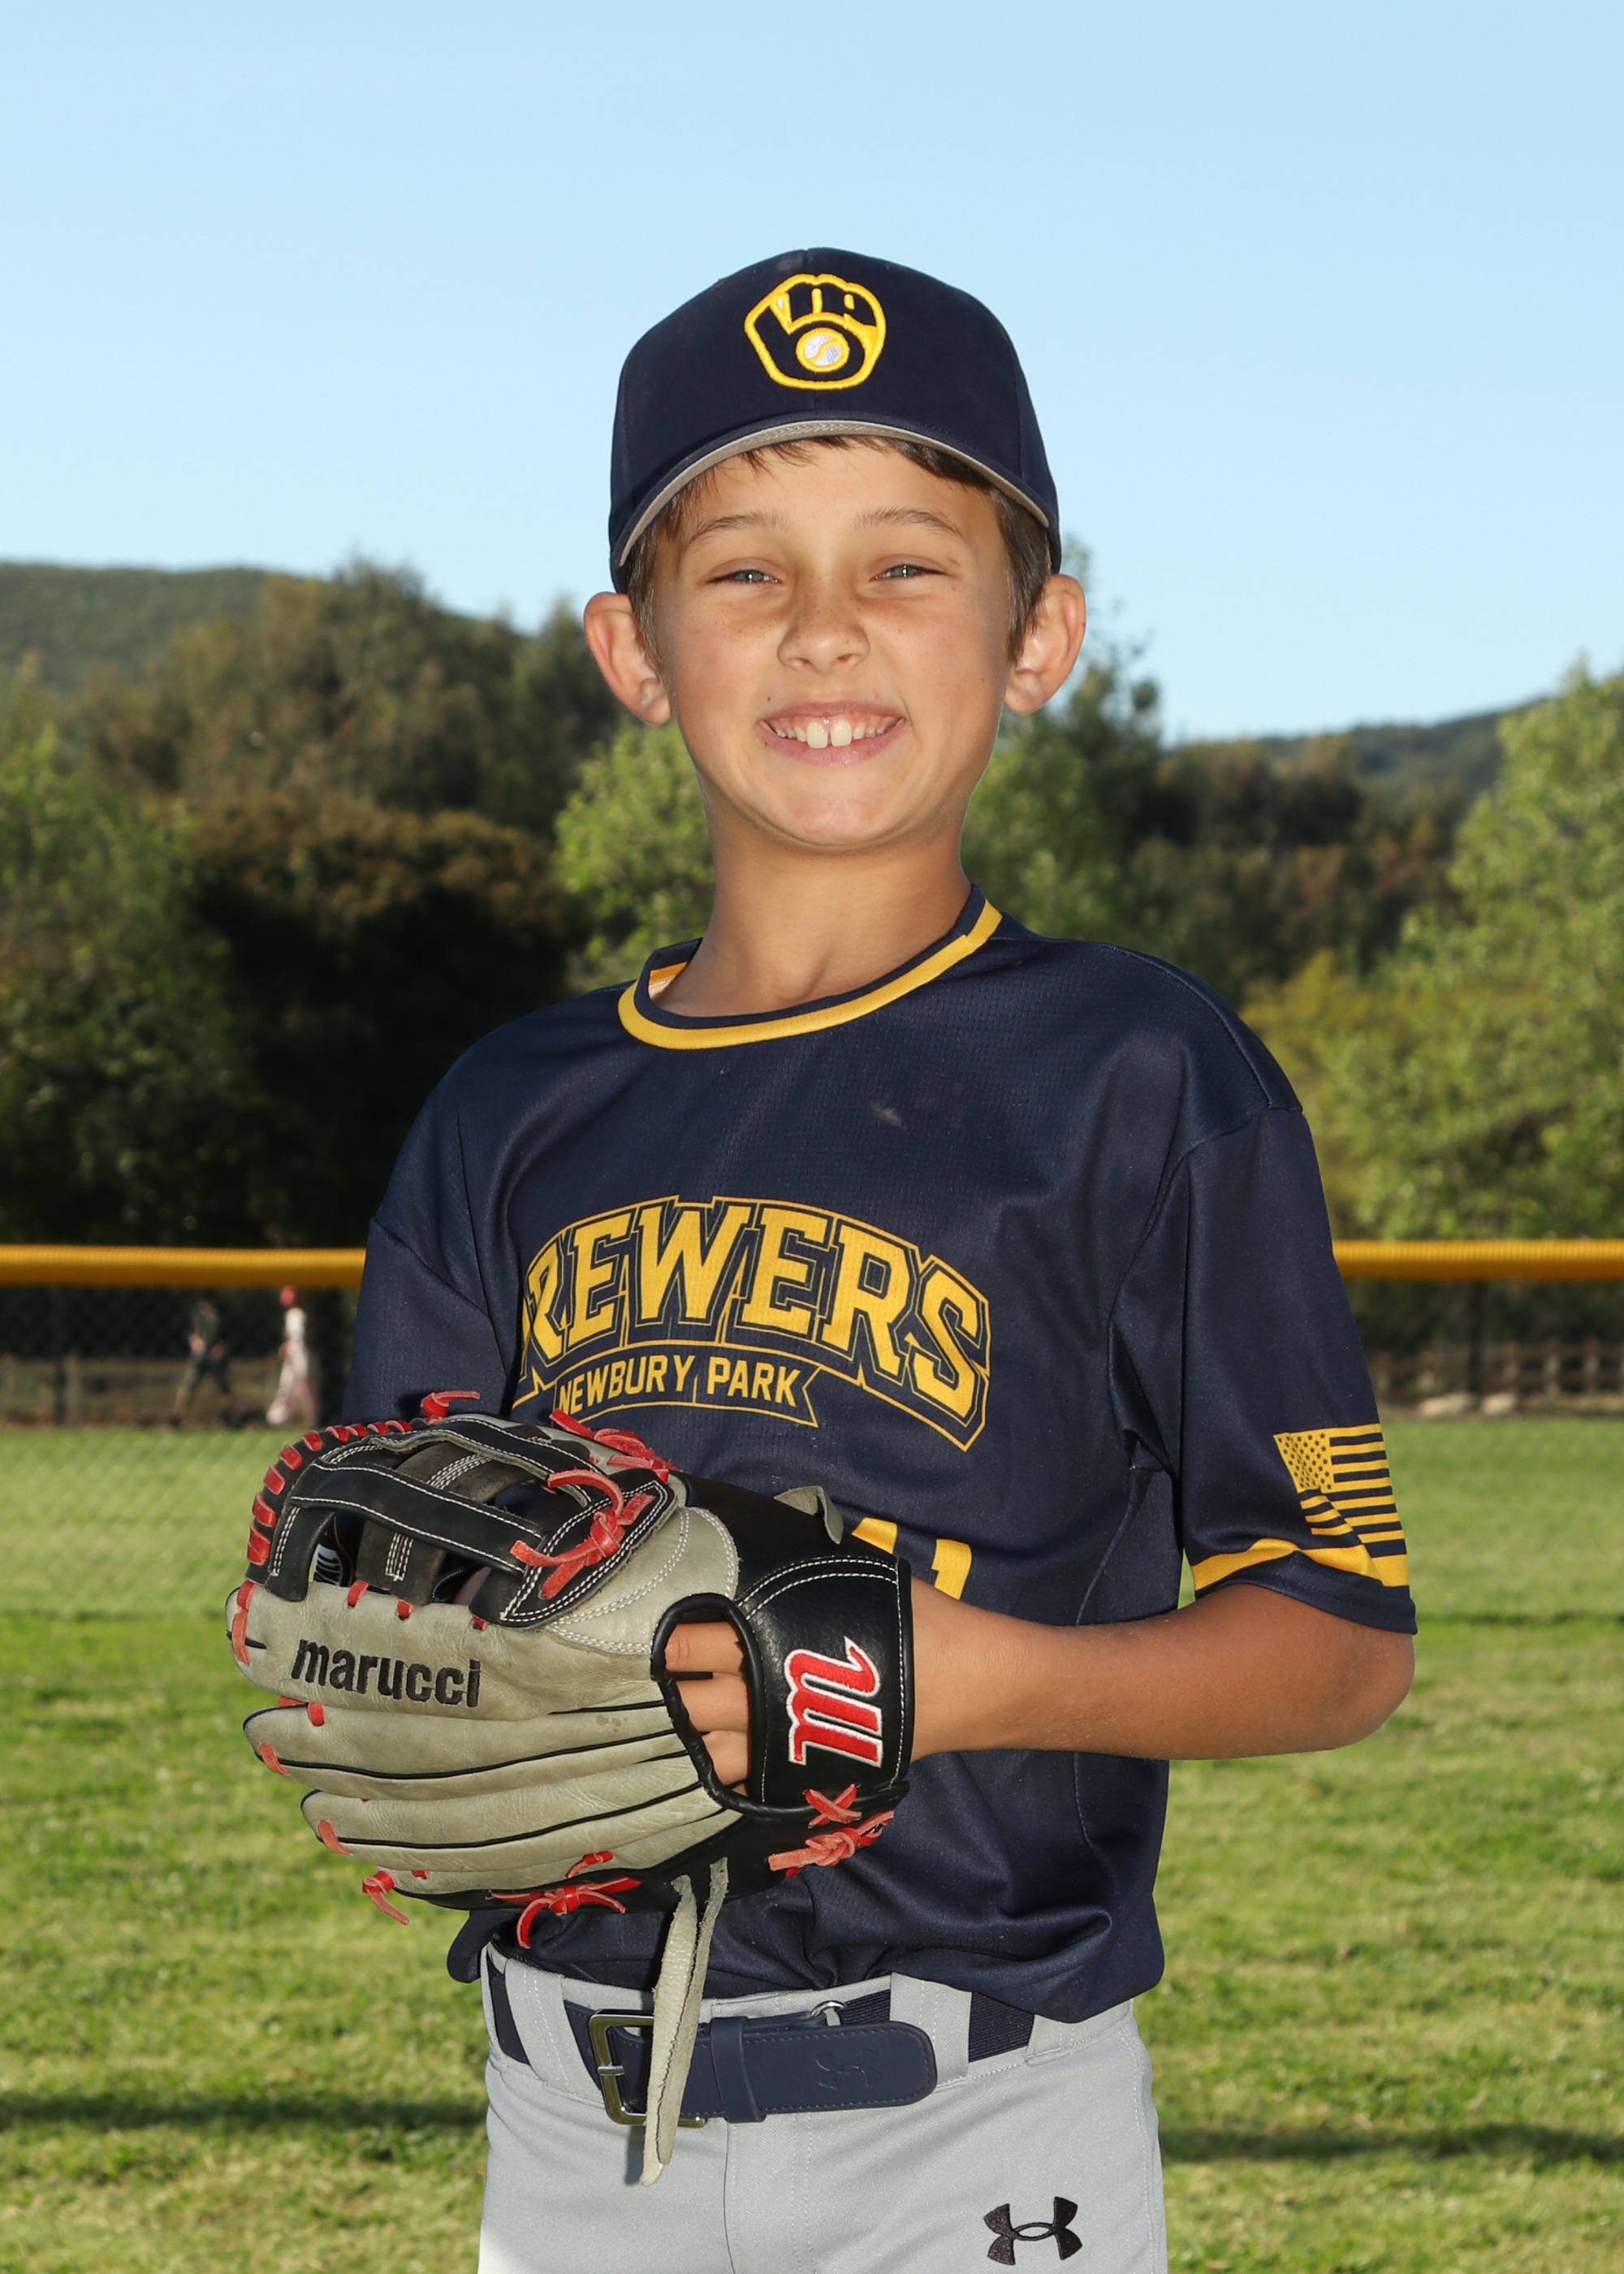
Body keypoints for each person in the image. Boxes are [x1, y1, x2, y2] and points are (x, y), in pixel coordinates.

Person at [343, 249, 1416, 2274]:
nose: (822, 626)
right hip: (571, 2127)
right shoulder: (509, 1112)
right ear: (632, 649)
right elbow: (411, 1594)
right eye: (742, 569)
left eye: (906, 564)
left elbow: (1341, 1638)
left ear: (1038, 635)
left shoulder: (1136, 1071)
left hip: (975, 2119)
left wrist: (971, 1680)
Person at [171, 1296, 235, 1427]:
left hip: (216, 1356)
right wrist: (193, 1341)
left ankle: (231, 1418)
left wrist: (221, 1347)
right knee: (189, 1386)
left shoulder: (222, 1310)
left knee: (225, 1388)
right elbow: (187, 1330)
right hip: (199, 1355)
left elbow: (229, 1332)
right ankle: (176, 1418)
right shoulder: (195, 1311)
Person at [266, 1284, 318, 1429]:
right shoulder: (299, 1313)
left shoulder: (294, 1314)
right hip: (301, 1355)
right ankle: (308, 1419)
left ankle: (277, 1419)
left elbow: (296, 1337)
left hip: (296, 1355)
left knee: (289, 1387)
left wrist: (287, 1347)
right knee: (304, 1390)